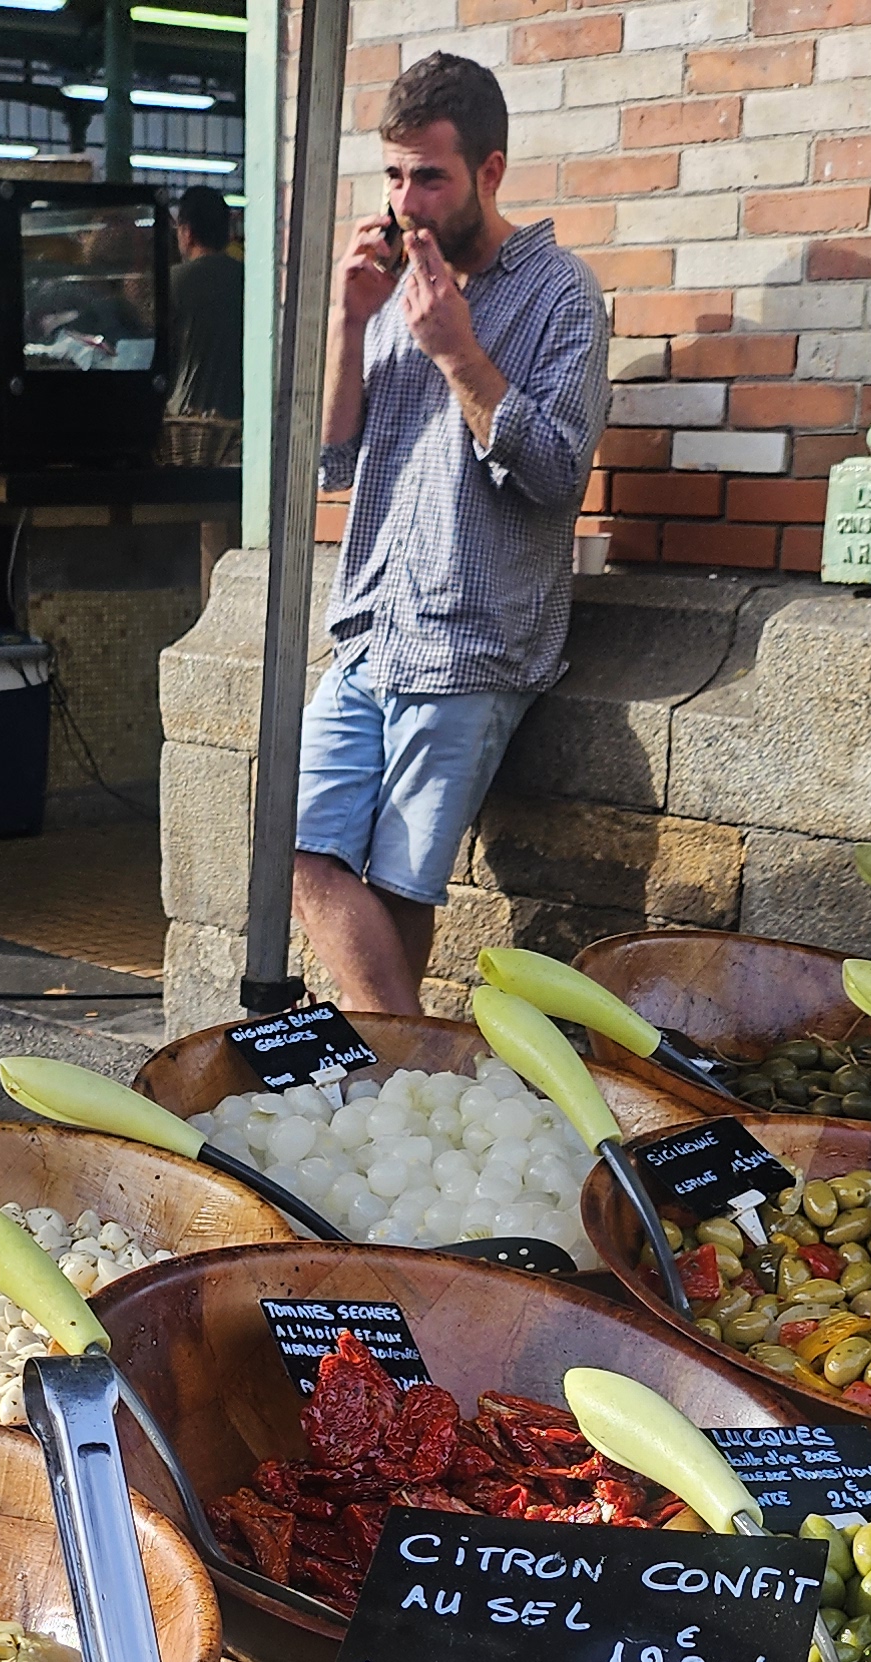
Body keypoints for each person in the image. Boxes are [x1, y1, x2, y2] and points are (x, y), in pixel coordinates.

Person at [288, 52, 604, 1016]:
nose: (406, 200)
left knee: (399, 887)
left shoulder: (561, 296)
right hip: (370, 624)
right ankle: (410, 1049)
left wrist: (459, 351)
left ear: (490, 171)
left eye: (430, 175)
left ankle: (385, 1070)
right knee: (295, 846)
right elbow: (329, 467)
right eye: (393, 175)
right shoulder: (385, 287)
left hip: (474, 635)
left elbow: (555, 471)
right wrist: (349, 322)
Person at [164, 185, 240, 424]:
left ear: (187, 232)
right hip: (239, 421)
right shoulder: (248, 280)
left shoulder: (173, 281)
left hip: (188, 420)